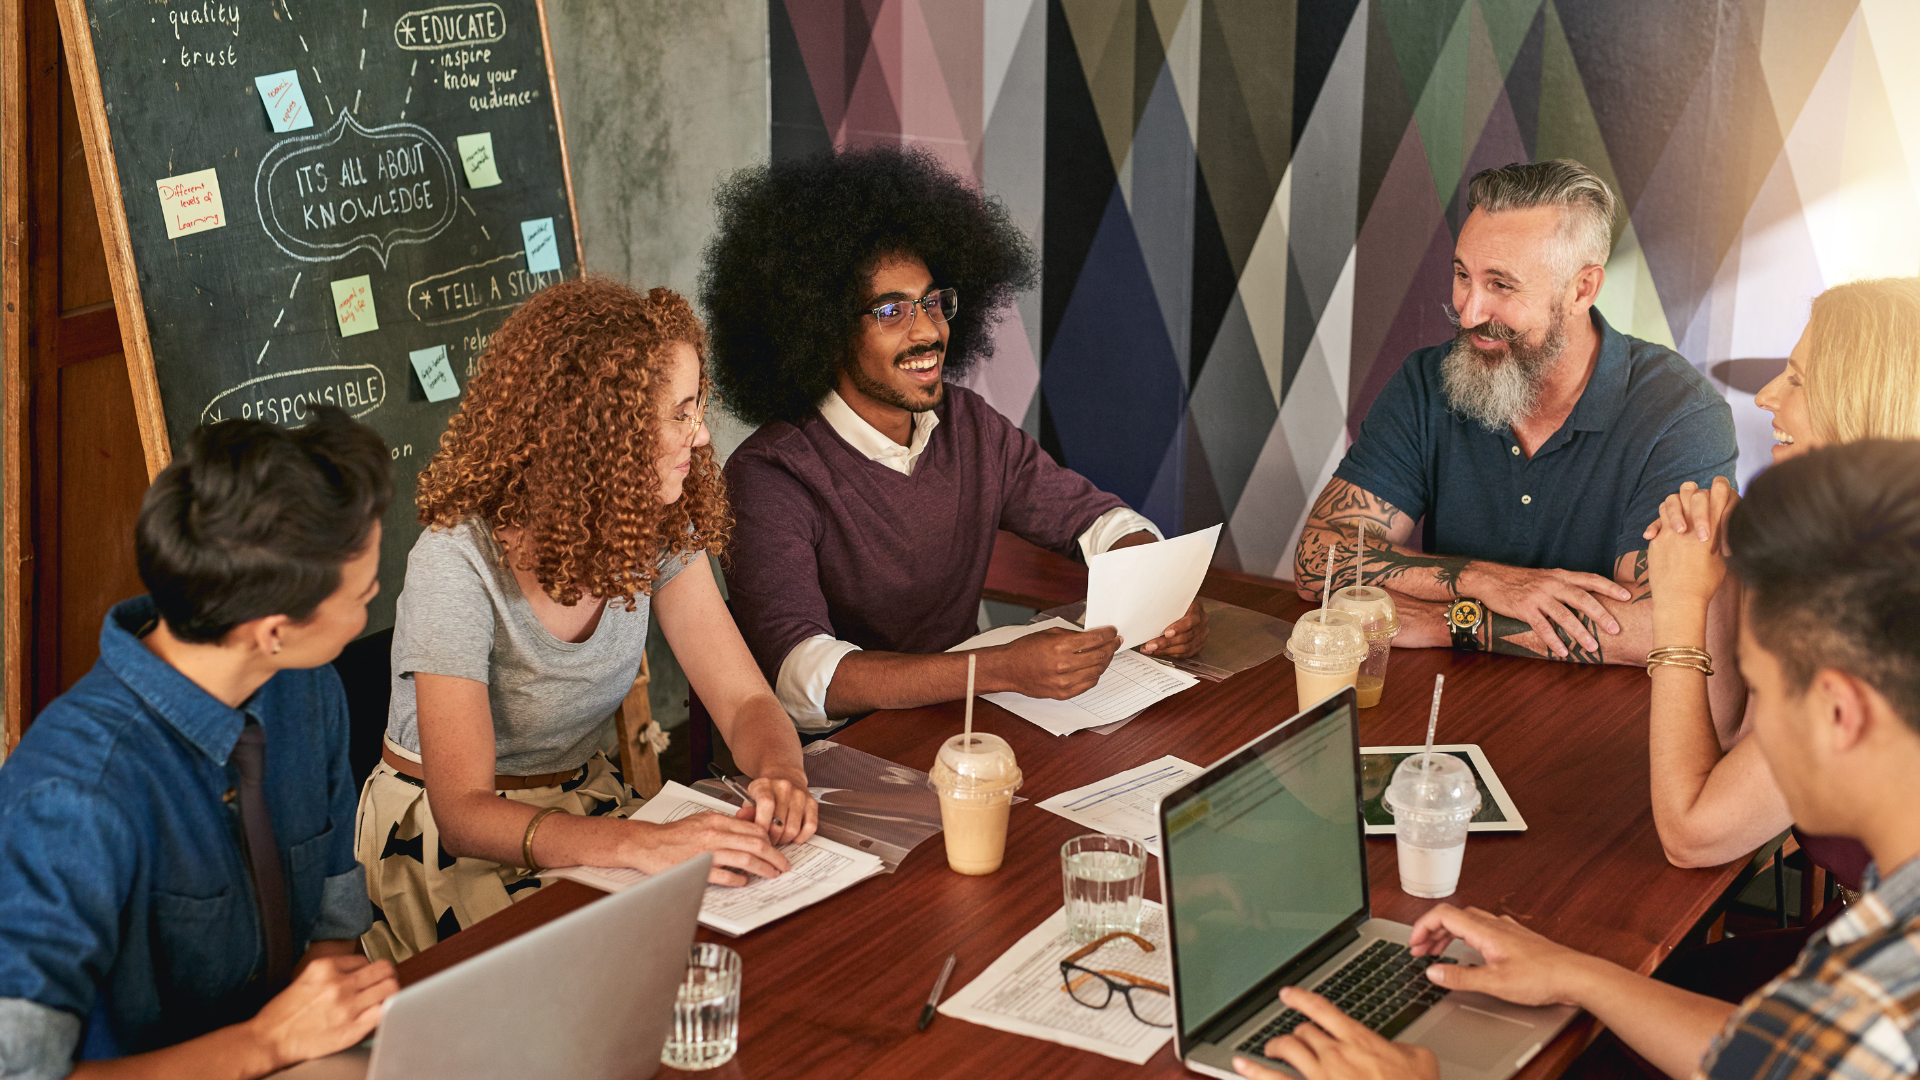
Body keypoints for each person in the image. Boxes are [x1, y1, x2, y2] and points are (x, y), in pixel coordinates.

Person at [1234, 439, 1920, 1080]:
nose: (1751, 731)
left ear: (1839, 712)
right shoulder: (1889, 929)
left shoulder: (1889, 993)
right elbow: (1769, 1052)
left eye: (1764, 691)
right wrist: (1579, 974)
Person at [357, 280, 818, 963]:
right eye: (681, 413)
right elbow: (464, 815)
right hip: (449, 842)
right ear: (602, 433)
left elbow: (745, 697)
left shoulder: (658, 523)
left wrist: (782, 773)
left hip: (585, 804)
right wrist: (647, 844)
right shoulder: (454, 564)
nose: (701, 434)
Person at [704, 145, 1206, 735]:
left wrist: (1158, 599)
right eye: (891, 310)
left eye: (933, 302)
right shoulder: (770, 476)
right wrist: (993, 669)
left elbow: (1097, 521)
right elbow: (801, 679)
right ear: (822, 328)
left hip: (956, 730)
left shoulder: (968, 426)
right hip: (831, 761)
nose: (928, 330)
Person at [0, 408, 398, 1079]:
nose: (376, 598)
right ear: (273, 631)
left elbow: (333, 931)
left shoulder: (308, 691)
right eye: (364, 594)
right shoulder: (73, 796)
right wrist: (266, 1046)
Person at [1293, 159, 1737, 673]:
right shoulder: (1427, 380)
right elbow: (1318, 563)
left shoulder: (1680, 413)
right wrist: (1482, 580)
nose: (1468, 312)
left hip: (1610, 727)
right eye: (1463, 275)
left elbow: (1670, 625)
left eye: (1501, 285)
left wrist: (1453, 622)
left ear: (1581, 289)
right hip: (1452, 708)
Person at [1646, 277, 1920, 876]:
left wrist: (1678, 604)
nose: (1767, 396)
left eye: (1797, 380)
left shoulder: (1877, 610)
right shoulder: (1847, 562)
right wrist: (1718, 564)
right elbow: (1724, 748)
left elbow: (1694, 834)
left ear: (1863, 404)